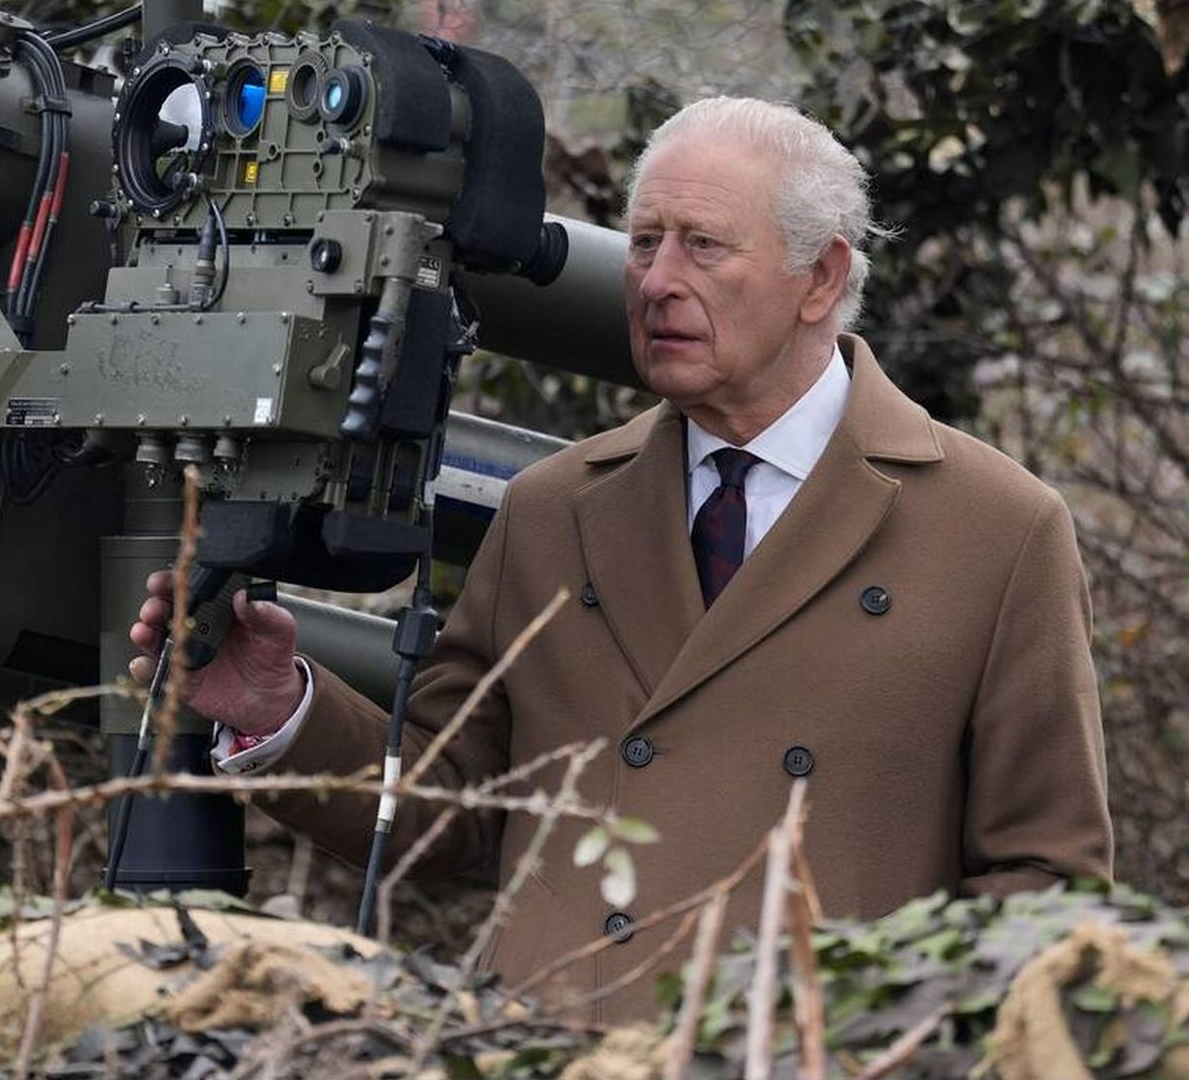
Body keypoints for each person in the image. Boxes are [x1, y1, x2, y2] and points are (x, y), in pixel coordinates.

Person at [129, 96, 1113, 1021]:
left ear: (820, 277)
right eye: (644, 242)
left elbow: (1042, 882)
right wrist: (282, 711)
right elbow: (455, 806)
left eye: (702, 245)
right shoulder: (553, 506)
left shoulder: (994, 527)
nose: (655, 280)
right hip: (553, 1044)